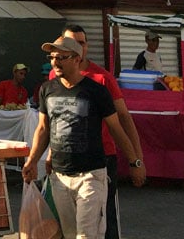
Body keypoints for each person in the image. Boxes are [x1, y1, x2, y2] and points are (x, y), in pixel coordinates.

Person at [23, 36, 145, 239]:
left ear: (77, 59)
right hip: (60, 177)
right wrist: (32, 160)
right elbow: (44, 129)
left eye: (62, 57)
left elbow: (116, 128)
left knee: (86, 235)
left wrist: (135, 161)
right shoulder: (47, 90)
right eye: (52, 57)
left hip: (90, 176)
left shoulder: (96, 91)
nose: (55, 62)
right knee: (70, 234)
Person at [56, 24, 146, 239]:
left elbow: (123, 119)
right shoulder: (54, 75)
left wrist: (137, 161)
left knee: (105, 222)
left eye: (82, 43)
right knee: (70, 227)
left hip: (101, 161)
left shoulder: (102, 79)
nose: (79, 47)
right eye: (72, 42)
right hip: (67, 163)